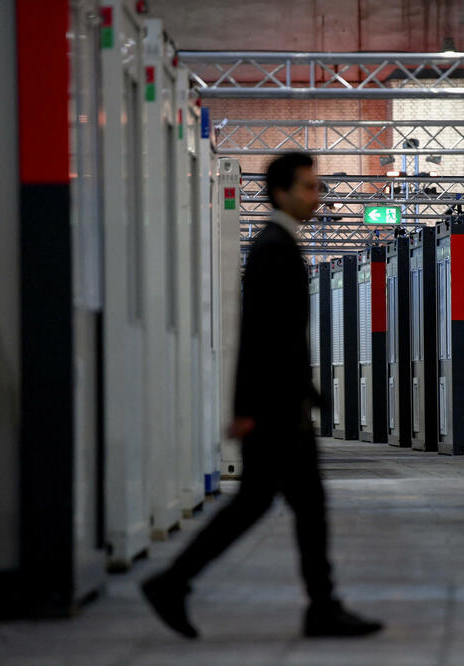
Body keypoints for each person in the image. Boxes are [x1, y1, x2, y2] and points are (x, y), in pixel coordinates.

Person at [141, 152, 384, 640]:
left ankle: (314, 604)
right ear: (280, 193)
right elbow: (260, 337)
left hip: (279, 407)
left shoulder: (279, 246)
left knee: (280, 506)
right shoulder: (275, 248)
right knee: (278, 507)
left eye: (318, 187)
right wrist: (249, 409)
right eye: (309, 187)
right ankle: (177, 583)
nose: (317, 196)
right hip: (276, 414)